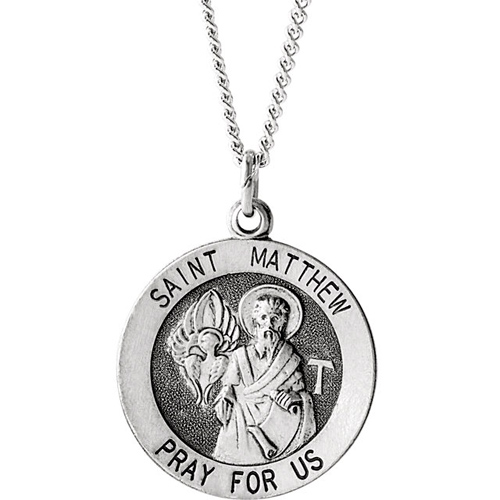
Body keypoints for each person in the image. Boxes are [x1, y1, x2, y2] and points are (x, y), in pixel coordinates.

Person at [213, 287, 316, 464]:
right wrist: (224, 399)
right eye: (263, 318)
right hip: (243, 428)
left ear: (282, 324)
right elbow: (227, 389)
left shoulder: (290, 359)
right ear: (255, 322)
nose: (269, 324)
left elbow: (302, 394)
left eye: (274, 319)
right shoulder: (239, 357)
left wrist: (293, 397)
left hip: (280, 429)